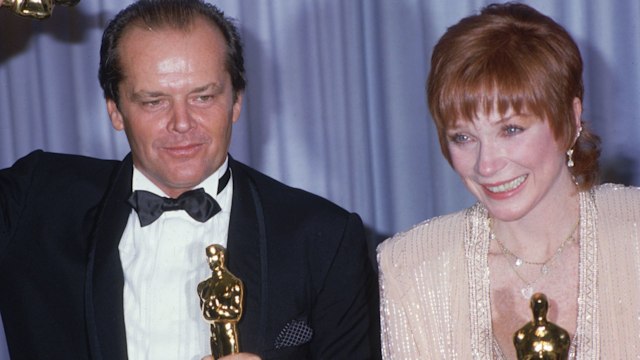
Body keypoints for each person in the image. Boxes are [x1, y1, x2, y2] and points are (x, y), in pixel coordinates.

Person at [0, 0, 376, 359]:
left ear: (237, 101)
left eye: (203, 97)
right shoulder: (37, 200)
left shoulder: (322, 238)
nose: (182, 123)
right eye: (154, 101)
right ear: (115, 110)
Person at [378, 2, 640, 359]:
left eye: (511, 129)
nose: (486, 165)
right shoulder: (411, 266)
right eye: (463, 137)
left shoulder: (634, 233)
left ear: (571, 118)